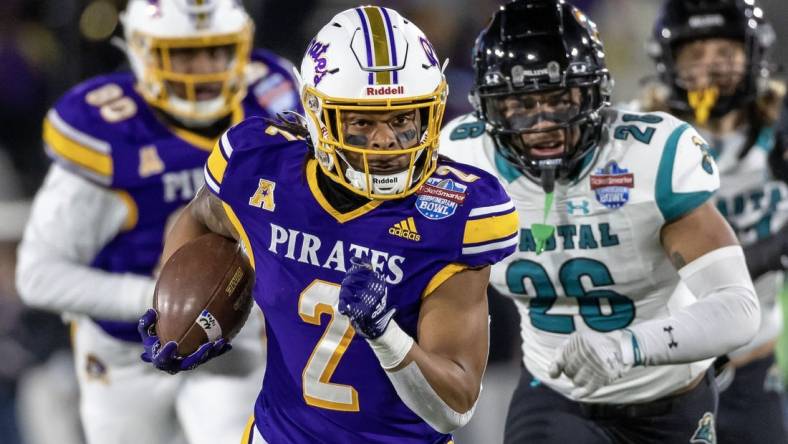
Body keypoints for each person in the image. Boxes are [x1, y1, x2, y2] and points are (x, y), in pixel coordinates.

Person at [136, 6, 520, 443]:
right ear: (317, 116)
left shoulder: (453, 212)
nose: (385, 140)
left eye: (402, 118)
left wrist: (384, 333)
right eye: (361, 121)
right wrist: (174, 314)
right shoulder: (261, 170)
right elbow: (201, 214)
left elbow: (454, 407)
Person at [439, 0, 760, 442]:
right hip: (554, 394)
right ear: (489, 107)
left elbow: (738, 308)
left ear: (593, 93)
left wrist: (628, 346)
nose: (542, 124)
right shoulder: (460, 162)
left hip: (669, 400)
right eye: (521, 104)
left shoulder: (649, 156)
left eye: (558, 99)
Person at [15, 0, 301, 443]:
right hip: (124, 348)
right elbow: (38, 276)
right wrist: (168, 303)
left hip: (230, 335)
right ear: (142, 50)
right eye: (184, 53)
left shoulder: (271, 103)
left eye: (217, 50)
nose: (203, 68)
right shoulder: (108, 129)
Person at [640, 0, 788, 442]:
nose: (711, 69)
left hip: (750, 364)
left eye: (725, 54)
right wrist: (761, 254)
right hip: (663, 370)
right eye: (694, 55)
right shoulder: (640, 134)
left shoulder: (780, 128)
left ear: (753, 55)